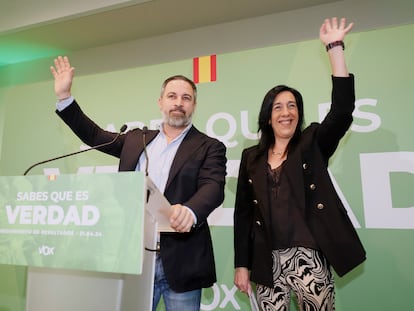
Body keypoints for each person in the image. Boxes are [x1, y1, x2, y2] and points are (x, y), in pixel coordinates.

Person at [50, 58, 227, 311]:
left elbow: (213, 187)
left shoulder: (209, 146)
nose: (178, 103)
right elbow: (94, 135)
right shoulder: (136, 139)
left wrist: (189, 211)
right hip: (135, 257)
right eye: (172, 96)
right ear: (160, 102)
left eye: (186, 98)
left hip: (181, 260)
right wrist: (65, 96)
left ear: (194, 106)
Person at [233, 17, 366, 310]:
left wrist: (335, 48)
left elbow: (342, 111)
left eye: (292, 105)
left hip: (310, 260)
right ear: (268, 116)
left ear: (299, 113)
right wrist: (242, 265)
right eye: (278, 107)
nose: (286, 112)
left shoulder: (312, 143)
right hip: (266, 262)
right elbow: (243, 216)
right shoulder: (250, 158)